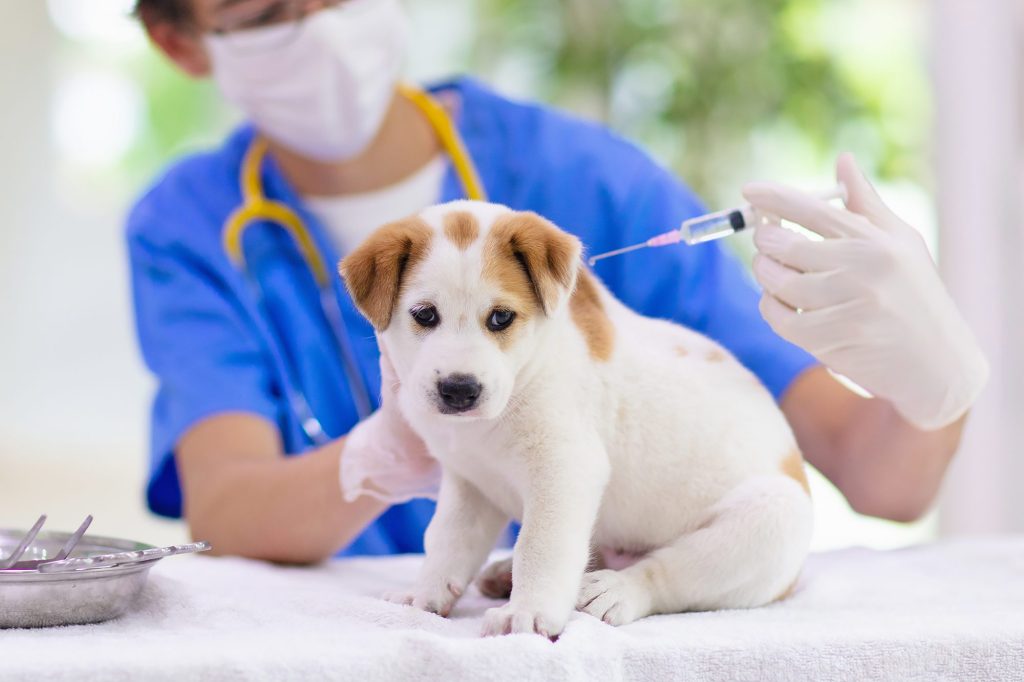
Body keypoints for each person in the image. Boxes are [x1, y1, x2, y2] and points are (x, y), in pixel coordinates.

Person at [129, 0, 988, 563]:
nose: (325, 26)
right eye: (269, 13)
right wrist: (380, 458)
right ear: (179, 40)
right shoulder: (191, 228)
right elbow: (228, 508)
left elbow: (883, 481)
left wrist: (939, 382)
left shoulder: (584, 182)